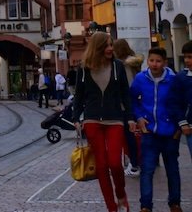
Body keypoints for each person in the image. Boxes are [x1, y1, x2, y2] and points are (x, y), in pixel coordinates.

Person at [73, 31, 136, 212]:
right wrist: (76, 117)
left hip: (115, 119)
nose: (110, 49)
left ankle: (121, 194)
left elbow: (126, 95)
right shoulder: (85, 67)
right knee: (101, 166)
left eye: (111, 45)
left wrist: (130, 117)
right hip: (92, 120)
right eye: (106, 45)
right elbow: (79, 95)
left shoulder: (118, 66)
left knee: (115, 163)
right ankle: (112, 207)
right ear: (98, 48)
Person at [130, 47, 183, 212]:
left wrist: (178, 127)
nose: (154, 64)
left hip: (170, 133)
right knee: (147, 170)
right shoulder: (140, 79)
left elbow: (181, 104)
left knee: (172, 170)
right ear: (148, 61)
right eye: (151, 60)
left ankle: (174, 203)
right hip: (149, 132)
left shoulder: (174, 80)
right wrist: (138, 118)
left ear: (165, 63)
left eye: (158, 61)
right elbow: (132, 100)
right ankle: (145, 206)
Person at [114, 38, 144, 177]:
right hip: (136, 99)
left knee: (128, 135)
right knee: (134, 134)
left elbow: (124, 84)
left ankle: (134, 164)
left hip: (125, 102)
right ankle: (137, 162)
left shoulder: (122, 64)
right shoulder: (134, 63)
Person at [178, 40, 192, 162]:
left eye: (190, 57)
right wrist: (183, 122)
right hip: (190, 127)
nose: (187, 60)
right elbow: (176, 102)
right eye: (185, 57)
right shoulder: (182, 77)